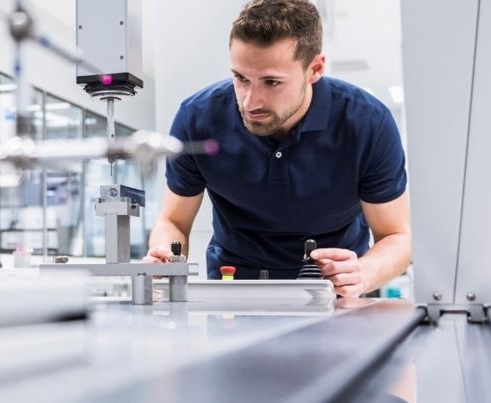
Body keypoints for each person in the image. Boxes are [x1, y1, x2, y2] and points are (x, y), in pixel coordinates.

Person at [142, 0, 411, 298]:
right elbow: (173, 221)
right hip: (234, 292)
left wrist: (365, 272)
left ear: (315, 69)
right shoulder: (197, 118)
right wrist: (164, 257)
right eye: (241, 78)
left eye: (271, 82)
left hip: (335, 293)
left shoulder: (367, 124)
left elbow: (398, 236)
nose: (250, 102)